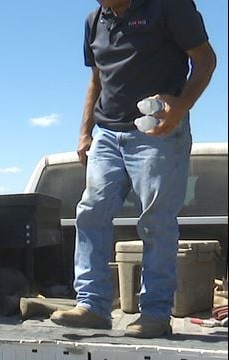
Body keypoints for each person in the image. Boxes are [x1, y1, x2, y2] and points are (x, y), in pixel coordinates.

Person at [50, 0, 216, 338]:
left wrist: (180, 107)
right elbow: (96, 78)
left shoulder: (169, 5)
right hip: (108, 134)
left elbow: (205, 59)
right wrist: (85, 132)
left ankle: (155, 314)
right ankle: (93, 305)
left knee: (155, 219)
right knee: (91, 212)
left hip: (157, 131)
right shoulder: (95, 20)